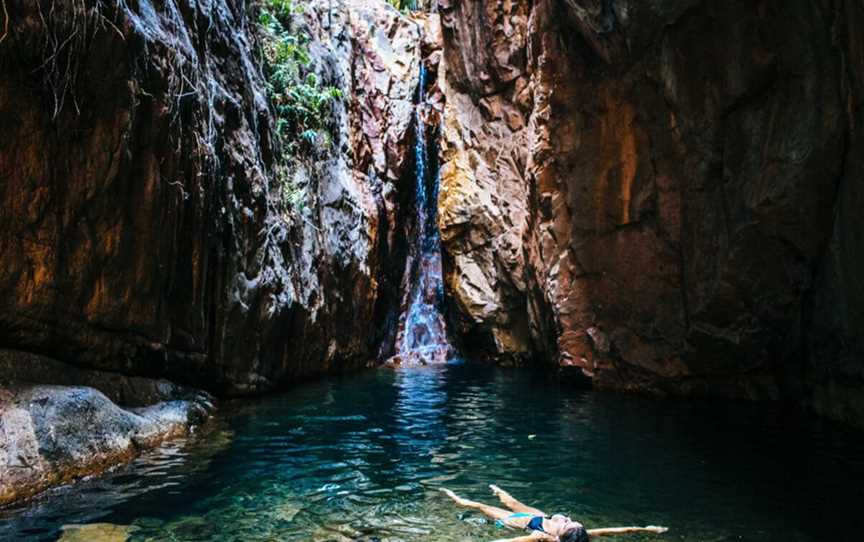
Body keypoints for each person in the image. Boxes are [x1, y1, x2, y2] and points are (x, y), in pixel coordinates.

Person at [440, 485, 669, 542]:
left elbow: (509, 541)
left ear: (559, 538)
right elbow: (613, 531)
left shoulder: (541, 538)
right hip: (538, 516)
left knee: (478, 506)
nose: (566, 518)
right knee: (512, 500)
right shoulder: (578, 534)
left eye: (567, 523)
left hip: (516, 523)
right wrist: (644, 529)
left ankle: (452, 497)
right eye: (571, 520)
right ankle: (497, 489)